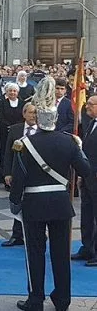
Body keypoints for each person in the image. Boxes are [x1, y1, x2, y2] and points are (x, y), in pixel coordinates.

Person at [10, 77, 94, 311]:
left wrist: (15, 202)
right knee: (60, 254)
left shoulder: (24, 143)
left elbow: (19, 179)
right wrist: (78, 147)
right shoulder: (69, 142)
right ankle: (62, 300)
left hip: (34, 203)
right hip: (60, 204)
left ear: (38, 118)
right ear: (56, 119)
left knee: (35, 254)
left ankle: (35, 299)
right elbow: (85, 170)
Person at [1, 102, 37, 247]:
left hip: (36, 175)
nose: (34, 116)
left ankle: (34, 235)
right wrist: (7, 173)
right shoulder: (16, 129)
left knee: (34, 205)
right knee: (17, 203)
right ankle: (17, 235)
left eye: (36, 113)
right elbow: (8, 153)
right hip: (17, 173)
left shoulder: (42, 130)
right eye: (31, 112)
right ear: (24, 114)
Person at [72, 95, 97, 265]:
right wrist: (81, 174)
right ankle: (87, 247)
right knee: (87, 214)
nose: (86, 106)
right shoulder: (90, 124)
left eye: (90, 104)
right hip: (88, 178)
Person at [0, 83, 24, 185]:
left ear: (17, 92)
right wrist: (9, 127)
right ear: (6, 92)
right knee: (5, 153)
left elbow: (23, 116)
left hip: (19, 133)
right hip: (5, 133)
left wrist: (15, 128)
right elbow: (0, 117)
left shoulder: (22, 103)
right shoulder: (2, 103)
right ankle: (4, 176)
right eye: (10, 91)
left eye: (14, 91)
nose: (12, 93)